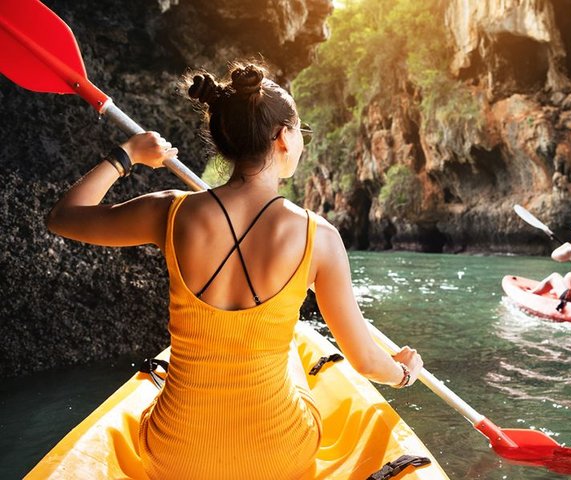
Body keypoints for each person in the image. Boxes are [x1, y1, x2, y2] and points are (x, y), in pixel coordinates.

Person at [46, 63, 423, 480]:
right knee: (295, 346)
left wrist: (128, 154)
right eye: (300, 130)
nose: (301, 141)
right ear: (283, 137)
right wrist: (405, 373)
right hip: (279, 458)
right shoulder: (320, 237)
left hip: (175, 456)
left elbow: (63, 217)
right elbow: (368, 363)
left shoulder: (169, 212)